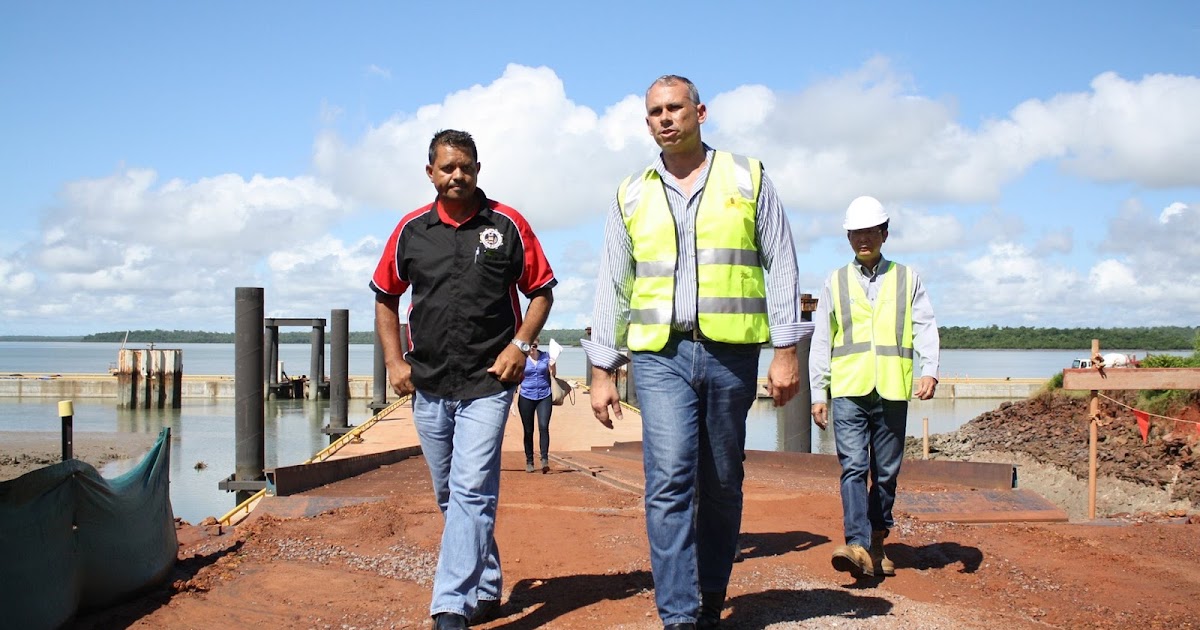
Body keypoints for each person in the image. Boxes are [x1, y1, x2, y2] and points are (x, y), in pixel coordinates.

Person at [583, 75, 808, 630]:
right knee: (669, 478)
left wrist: (787, 352)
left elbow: (781, 261)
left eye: (675, 108)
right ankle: (679, 615)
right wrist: (601, 367)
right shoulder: (631, 191)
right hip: (660, 355)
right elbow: (613, 281)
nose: (666, 118)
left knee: (722, 478)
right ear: (647, 121)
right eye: (655, 111)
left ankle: (711, 593)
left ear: (700, 112)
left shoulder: (747, 177)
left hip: (731, 352)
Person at [371, 129, 556, 630]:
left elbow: (541, 291)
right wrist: (394, 362)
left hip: (488, 383)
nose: (458, 175)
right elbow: (385, 296)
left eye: (466, 167)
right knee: (450, 495)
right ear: (430, 172)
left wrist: (519, 346)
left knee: (471, 490)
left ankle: (450, 605)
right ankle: (488, 584)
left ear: (478, 169)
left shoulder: (507, 224)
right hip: (428, 382)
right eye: (448, 167)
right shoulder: (411, 230)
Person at [809, 195, 940, 578]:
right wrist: (820, 393)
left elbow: (925, 325)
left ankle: (878, 542)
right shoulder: (835, 280)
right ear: (848, 237)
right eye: (855, 233)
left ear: (884, 233)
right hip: (849, 388)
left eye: (870, 232)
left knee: (885, 472)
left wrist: (929, 370)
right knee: (853, 466)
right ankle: (856, 544)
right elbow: (821, 338)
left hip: (892, 389)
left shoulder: (906, 277)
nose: (863, 239)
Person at [517, 339, 556, 473]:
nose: (531, 349)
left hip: (544, 395)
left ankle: (544, 459)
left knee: (544, 426)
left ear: (538, 344)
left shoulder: (546, 356)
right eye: (529, 346)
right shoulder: (522, 359)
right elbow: (516, 378)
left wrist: (553, 366)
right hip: (526, 396)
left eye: (534, 346)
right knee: (528, 430)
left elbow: (553, 374)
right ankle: (529, 461)